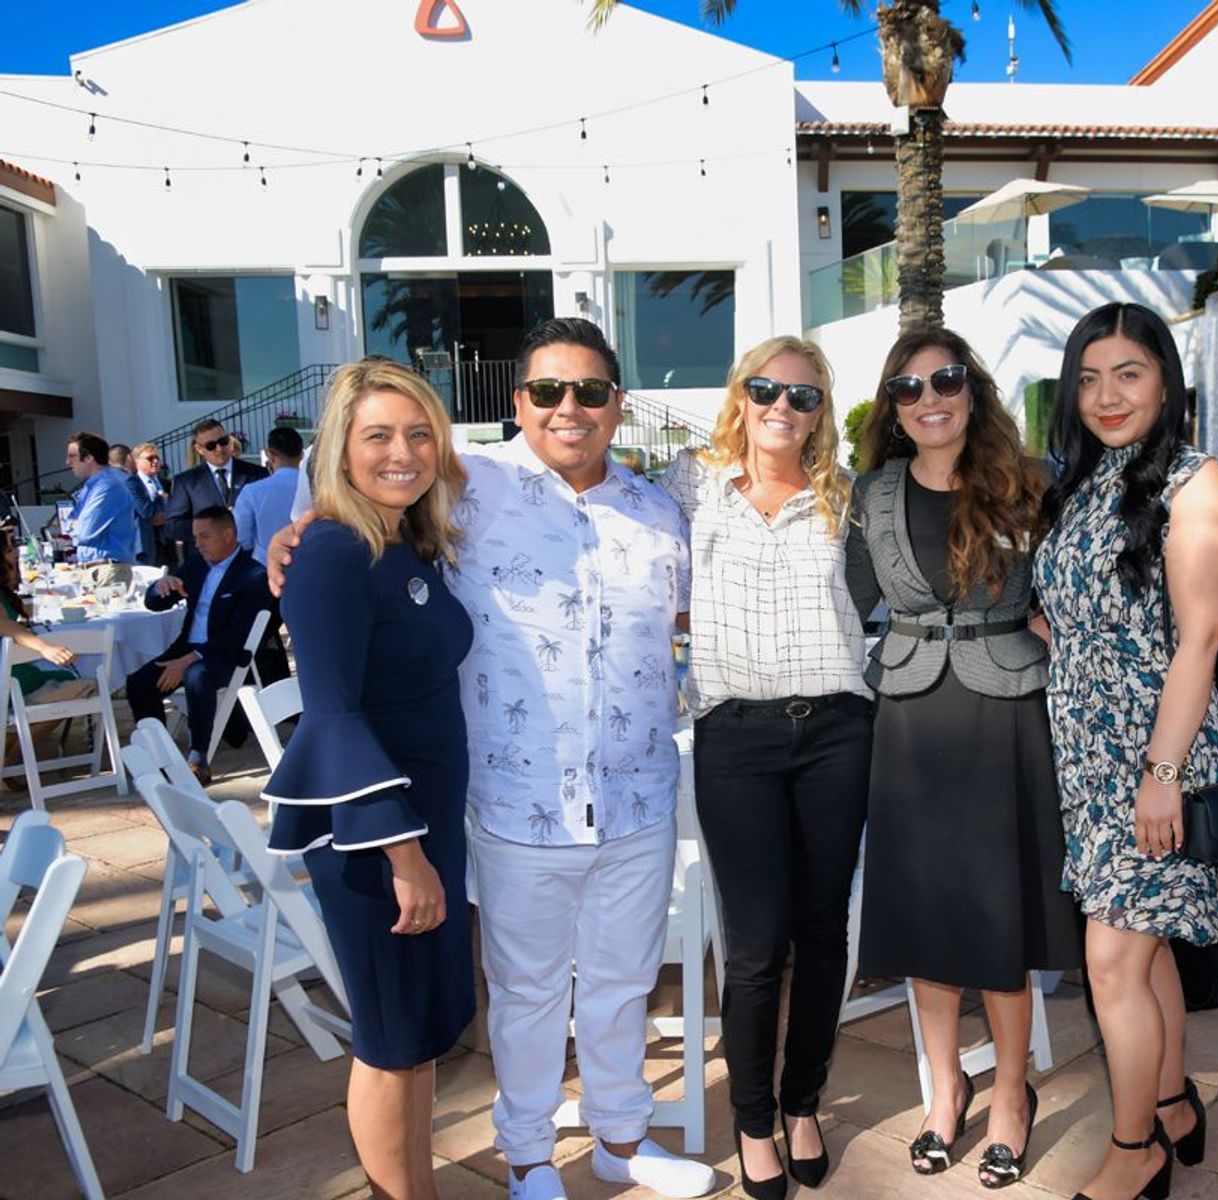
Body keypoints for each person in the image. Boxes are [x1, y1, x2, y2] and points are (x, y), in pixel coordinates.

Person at [272, 318, 711, 1200]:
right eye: (547, 390)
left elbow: (692, 619)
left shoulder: (659, 510)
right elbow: (356, 496)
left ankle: (622, 1139)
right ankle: (530, 1157)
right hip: (517, 800)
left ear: (618, 403)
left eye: (590, 390)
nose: (568, 408)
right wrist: (297, 531)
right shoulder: (467, 488)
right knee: (525, 990)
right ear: (519, 402)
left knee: (625, 981)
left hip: (637, 795)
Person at [846, 328, 1082, 1189]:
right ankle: (947, 1089)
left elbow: (1075, 588)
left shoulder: (1030, 484)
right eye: (908, 388)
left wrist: (1059, 629)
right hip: (909, 721)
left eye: (944, 380)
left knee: (999, 916)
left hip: (1005, 714)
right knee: (925, 919)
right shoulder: (871, 494)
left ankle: (1011, 1093)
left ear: (972, 389)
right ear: (892, 407)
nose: (929, 399)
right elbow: (849, 601)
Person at [1034, 302, 1218, 1200]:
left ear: (1165, 381)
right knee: (1142, 953)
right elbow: (1081, 613)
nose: (1106, 395)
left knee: (1113, 961)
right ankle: (1173, 1105)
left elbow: (1201, 639)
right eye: (1088, 378)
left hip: (1159, 750)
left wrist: (1161, 775)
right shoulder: (1081, 483)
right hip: (1087, 754)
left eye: (1128, 373)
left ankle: (1133, 1150)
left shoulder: (1197, 483)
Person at [658, 336, 869, 1200]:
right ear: (741, 396)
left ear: (821, 413)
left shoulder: (847, 495)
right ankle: (752, 1122)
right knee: (752, 945)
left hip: (838, 732)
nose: (783, 407)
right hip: (736, 737)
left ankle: (803, 1102)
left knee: (823, 931)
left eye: (803, 396)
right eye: (766, 389)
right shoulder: (690, 484)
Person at [263, 360, 474, 1200]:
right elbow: (333, 716)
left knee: (418, 1038)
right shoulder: (332, 552)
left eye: (420, 434)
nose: (402, 453)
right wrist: (404, 856)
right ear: (340, 449)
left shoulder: (404, 540)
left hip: (425, 828)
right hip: (378, 839)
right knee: (389, 1042)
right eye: (378, 435)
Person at [124, 506, 271, 784]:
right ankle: (159, 756)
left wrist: (189, 659)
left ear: (228, 535)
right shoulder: (196, 564)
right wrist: (160, 586)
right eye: (195, 537)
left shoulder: (253, 575)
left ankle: (198, 758)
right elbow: (155, 604)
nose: (198, 544)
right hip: (186, 647)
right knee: (139, 683)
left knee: (196, 675)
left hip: (225, 654)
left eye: (205, 537)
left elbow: (237, 636)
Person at [0, 529, 99, 788]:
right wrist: (44, 648)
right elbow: (6, 626)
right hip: (11, 683)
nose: (16, 553)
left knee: (67, 679)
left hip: (14, 677)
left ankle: (11, 746)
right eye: (9, 549)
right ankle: (14, 756)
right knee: (86, 685)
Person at [165, 418, 268, 558]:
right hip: (206, 560)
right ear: (199, 449)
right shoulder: (186, 481)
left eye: (223, 441)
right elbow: (172, 527)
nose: (219, 449)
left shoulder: (257, 473)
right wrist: (210, 527)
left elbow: (269, 515)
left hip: (250, 557)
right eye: (211, 445)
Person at [63, 432, 139, 585]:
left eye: (72, 456)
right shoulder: (91, 487)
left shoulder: (107, 487)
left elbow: (85, 531)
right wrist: (74, 526)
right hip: (96, 569)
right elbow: (68, 524)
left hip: (108, 570)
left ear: (89, 458)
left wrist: (74, 526)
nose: (67, 462)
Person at [234, 426, 305, 565]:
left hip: (264, 564)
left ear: (270, 456)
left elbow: (242, 537)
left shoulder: (252, 491)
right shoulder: (317, 490)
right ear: (302, 455)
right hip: (308, 563)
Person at [130, 442, 172, 566]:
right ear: (137, 462)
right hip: (146, 546)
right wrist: (160, 497)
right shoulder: (132, 483)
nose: (155, 461)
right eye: (150, 458)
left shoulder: (167, 483)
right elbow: (147, 513)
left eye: (157, 458)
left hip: (169, 546)